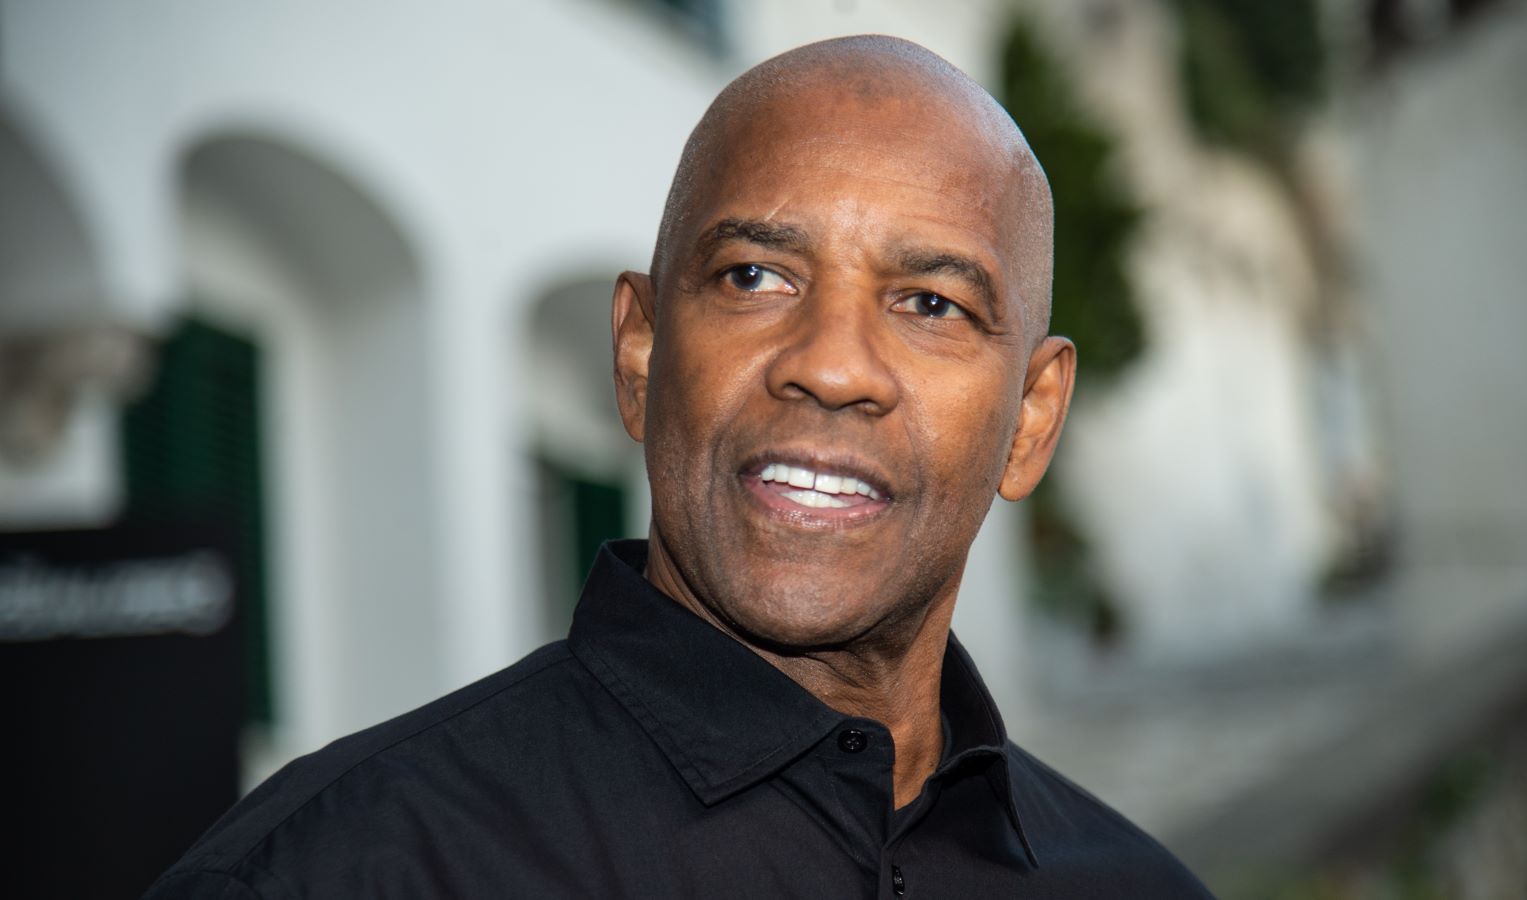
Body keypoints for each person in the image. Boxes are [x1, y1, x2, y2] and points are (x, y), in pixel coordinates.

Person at [148, 35, 1213, 898]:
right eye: (755, 276)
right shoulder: (337, 872)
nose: (833, 367)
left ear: (1030, 421)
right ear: (639, 354)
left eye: (931, 304)